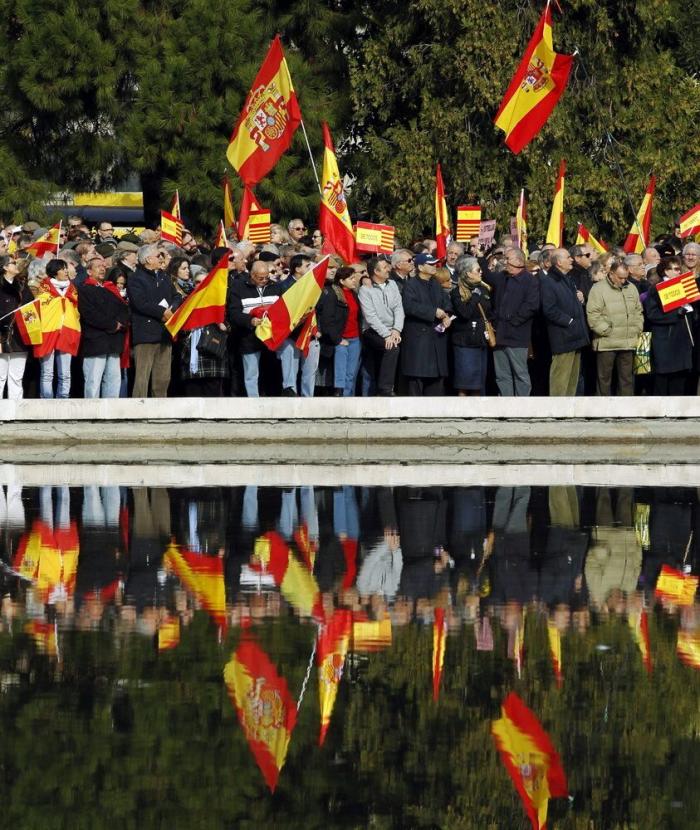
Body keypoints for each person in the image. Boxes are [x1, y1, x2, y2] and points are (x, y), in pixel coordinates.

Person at [127, 244, 179, 398]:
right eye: (158, 256)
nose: (161, 258)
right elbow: (140, 303)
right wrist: (162, 312)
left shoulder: (164, 276)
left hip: (164, 333)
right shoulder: (135, 279)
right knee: (142, 377)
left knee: (163, 377)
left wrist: (173, 309)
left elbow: (176, 295)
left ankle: (160, 408)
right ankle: (138, 409)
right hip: (145, 334)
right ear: (148, 259)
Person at [586, 260, 643, 396]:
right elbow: (593, 314)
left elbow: (638, 311)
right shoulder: (598, 289)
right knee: (604, 379)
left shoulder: (632, 288)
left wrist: (637, 328)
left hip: (628, 341)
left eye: (626, 277)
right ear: (611, 274)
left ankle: (625, 410)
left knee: (627, 379)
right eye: (620, 277)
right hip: (607, 342)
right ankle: (603, 409)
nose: (624, 281)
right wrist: (606, 330)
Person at [226, 260, 281, 397]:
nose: (264, 280)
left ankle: (273, 398)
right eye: (260, 278)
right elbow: (233, 313)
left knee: (272, 370)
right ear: (251, 275)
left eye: (266, 277)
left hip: (271, 337)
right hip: (249, 337)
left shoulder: (276, 287)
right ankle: (253, 401)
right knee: (251, 372)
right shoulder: (238, 288)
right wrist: (250, 320)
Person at [400, 253, 453, 396]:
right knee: (417, 377)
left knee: (436, 378)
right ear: (421, 267)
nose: (434, 266)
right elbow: (409, 306)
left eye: (435, 263)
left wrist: (446, 315)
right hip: (419, 339)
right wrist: (433, 311)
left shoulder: (435, 284)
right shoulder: (410, 285)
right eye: (431, 264)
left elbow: (446, 303)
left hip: (436, 337)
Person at [489, 247, 539, 396]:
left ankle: (521, 408)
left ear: (518, 261)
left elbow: (531, 305)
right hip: (499, 335)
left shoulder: (530, 280)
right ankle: (506, 406)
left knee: (520, 374)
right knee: (502, 375)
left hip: (517, 336)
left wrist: (514, 321)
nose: (505, 261)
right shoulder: (502, 277)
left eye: (507, 258)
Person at [540, 248, 590, 396]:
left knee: (572, 378)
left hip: (575, 334)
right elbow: (549, 309)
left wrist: (580, 300)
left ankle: (568, 409)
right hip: (563, 336)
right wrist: (569, 321)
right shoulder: (550, 281)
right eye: (568, 257)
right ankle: (557, 409)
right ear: (559, 262)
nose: (572, 260)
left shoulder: (567, 279)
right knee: (561, 377)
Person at [78, 257, 129, 398]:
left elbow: (124, 309)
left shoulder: (110, 288)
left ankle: (111, 414)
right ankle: (92, 413)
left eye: (104, 266)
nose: (102, 269)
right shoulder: (84, 289)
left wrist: (121, 323)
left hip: (113, 341)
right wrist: (113, 324)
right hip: (96, 341)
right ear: (89, 271)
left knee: (113, 380)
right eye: (98, 266)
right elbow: (89, 314)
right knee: (93, 379)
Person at [643, 256, 694, 395]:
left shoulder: (683, 285)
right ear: (666, 271)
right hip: (666, 340)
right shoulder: (656, 289)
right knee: (663, 378)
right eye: (675, 269)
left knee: (679, 378)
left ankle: (676, 412)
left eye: (679, 269)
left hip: (682, 339)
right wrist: (676, 313)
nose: (678, 272)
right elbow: (652, 314)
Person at [178, 269, 229, 397]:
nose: (200, 284)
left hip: (212, 354)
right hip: (191, 355)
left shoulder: (220, 301)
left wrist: (223, 325)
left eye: (204, 282)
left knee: (213, 398)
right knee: (192, 396)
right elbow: (179, 327)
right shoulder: (186, 301)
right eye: (197, 282)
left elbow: (230, 324)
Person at [358, 255, 404, 396]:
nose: (388, 269)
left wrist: (396, 330)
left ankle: (399, 388)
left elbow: (398, 308)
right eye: (384, 267)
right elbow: (370, 317)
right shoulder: (365, 290)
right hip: (373, 331)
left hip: (393, 329)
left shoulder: (393, 284)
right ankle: (385, 390)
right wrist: (387, 334)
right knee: (392, 349)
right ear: (376, 272)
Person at [37, 259, 81, 399]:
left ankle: (63, 400)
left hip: (67, 331)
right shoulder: (42, 288)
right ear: (55, 272)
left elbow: (76, 309)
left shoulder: (73, 289)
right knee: (47, 372)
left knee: (65, 373)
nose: (66, 271)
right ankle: (46, 401)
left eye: (66, 268)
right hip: (48, 331)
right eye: (63, 268)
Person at [449, 255, 493, 396]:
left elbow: (489, 311)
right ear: (468, 273)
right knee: (465, 382)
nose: (481, 272)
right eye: (478, 269)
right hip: (465, 343)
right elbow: (465, 313)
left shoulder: (483, 289)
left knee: (479, 382)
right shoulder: (457, 292)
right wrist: (474, 297)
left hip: (480, 341)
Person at [317, 267, 362, 396]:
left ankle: (348, 397)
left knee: (351, 373)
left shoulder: (354, 293)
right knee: (340, 372)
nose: (355, 281)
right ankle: (340, 396)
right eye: (351, 278)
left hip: (355, 338)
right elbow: (327, 319)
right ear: (342, 281)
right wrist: (337, 339)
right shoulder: (333, 294)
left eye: (355, 278)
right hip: (341, 339)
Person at [0, 256, 32, 399]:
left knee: (16, 377)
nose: (16, 265)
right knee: (0, 377)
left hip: (20, 336)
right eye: (13, 263)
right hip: (2, 335)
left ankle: (16, 411)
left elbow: (31, 308)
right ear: (5, 267)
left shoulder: (23, 287)